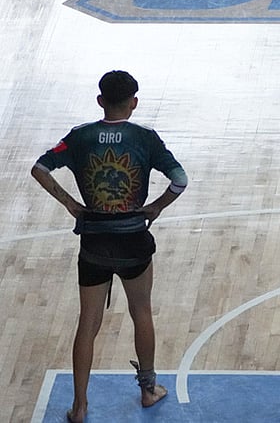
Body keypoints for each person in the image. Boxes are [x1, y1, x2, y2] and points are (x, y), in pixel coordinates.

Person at [30, 71, 188, 423]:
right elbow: (180, 180)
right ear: (134, 102)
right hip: (134, 241)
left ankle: (80, 406)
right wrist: (156, 207)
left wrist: (71, 204)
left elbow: (40, 168)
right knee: (141, 312)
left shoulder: (80, 137)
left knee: (88, 322)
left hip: (94, 243)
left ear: (100, 100)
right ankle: (149, 390)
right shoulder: (146, 138)